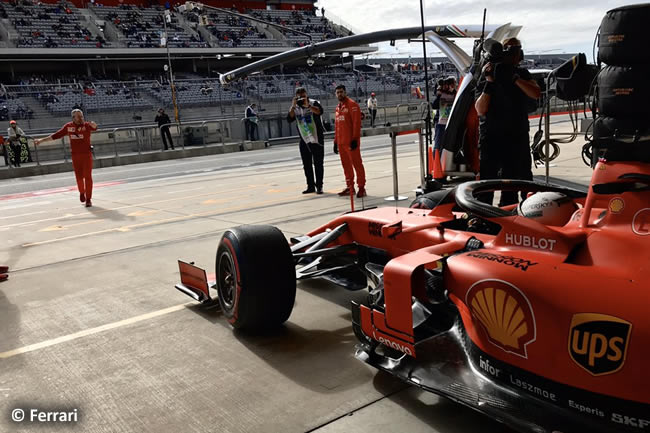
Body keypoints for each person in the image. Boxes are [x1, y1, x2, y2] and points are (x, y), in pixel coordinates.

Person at [475, 37, 541, 206]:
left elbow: (535, 93)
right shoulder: (489, 74)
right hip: (492, 136)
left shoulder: (521, 74)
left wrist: (514, 79)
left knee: (520, 182)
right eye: (509, 50)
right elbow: (480, 109)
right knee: (487, 184)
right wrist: (489, 82)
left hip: (516, 135)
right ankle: (484, 218)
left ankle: (518, 214)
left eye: (516, 50)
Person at [35, 109, 98, 207]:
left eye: (82, 116)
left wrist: (95, 125)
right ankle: (82, 192)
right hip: (75, 156)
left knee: (88, 177)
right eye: (78, 116)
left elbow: (94, 127)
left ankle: (88, 199)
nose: (81, 118)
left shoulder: (87, 126)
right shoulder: (68, 127)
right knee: (79, 177)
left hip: (86, 155)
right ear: (73, 118)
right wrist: (41, 140)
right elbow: (56, 135)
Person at [287, 87, 325, 195]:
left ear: (306, 94)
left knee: (318, 163)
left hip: (316, 138)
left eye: (303, 95)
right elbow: (290, 118)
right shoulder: (295, 107)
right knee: (306, 164)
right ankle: (310, 186)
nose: (301, 98)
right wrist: (293, 105)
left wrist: (307, 105)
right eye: (299, 96)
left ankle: (319, 186)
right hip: (304, 138)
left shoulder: (314, 102)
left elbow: (319, 111)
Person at [334, 84, 366, 198]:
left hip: (351, 142)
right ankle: (350, 187)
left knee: (357, 164)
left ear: (345, 92)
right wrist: (335, 141)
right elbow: (337, 126)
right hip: (342, 143)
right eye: (337, 92)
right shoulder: (338, 107)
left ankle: (361, 187)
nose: (339, 94)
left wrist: (354, 140)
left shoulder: (353, 105)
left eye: (341, 92)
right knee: (346, 166)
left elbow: (357, 124)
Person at [432, 77, 457, 153]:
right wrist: (439, 94)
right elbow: (434, 106)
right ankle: (436, 159)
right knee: (438, 145)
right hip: (441, 123)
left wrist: (454, 91)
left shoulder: (454, 94)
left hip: (451, 123)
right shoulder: (441, 94)